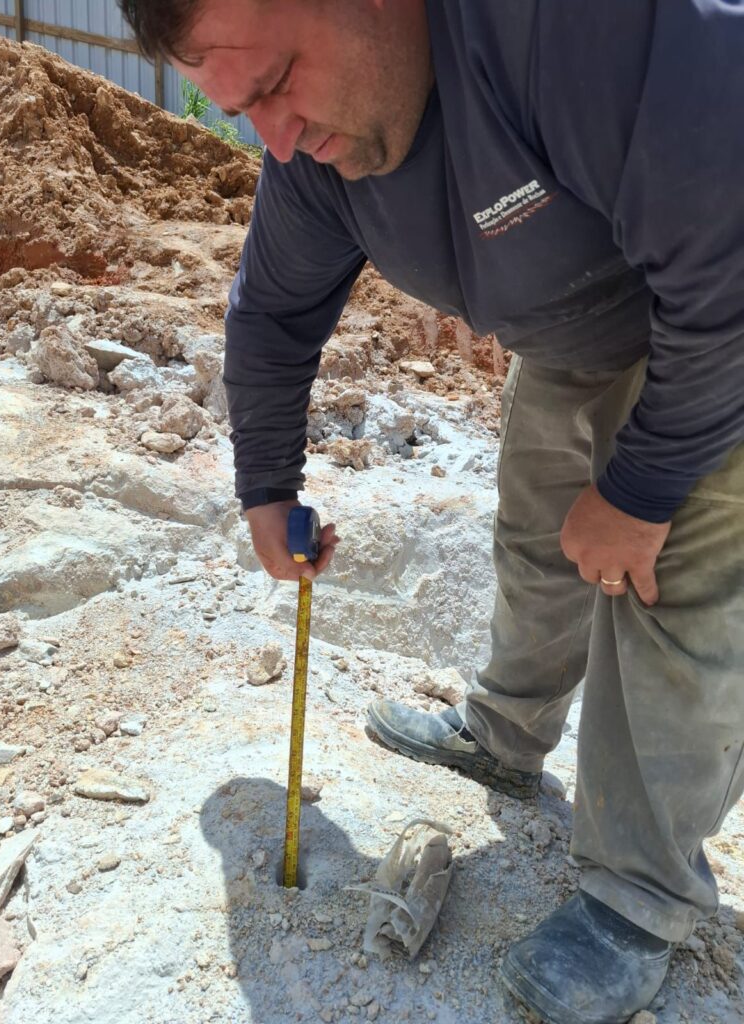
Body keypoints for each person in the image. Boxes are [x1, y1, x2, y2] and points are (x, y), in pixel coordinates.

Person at [119, 2, 744, 1022]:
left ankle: (643, 891)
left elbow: (732, 266)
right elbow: (272, 314)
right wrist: (267, 488)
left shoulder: (576, 29)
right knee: (540, 531)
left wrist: (641, 490)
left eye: (274, 84)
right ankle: (505, 731)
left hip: (716, 333)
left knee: (671, 589)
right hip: (574, 334)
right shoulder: (312, 160)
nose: (275, 140)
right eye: (242, 111)